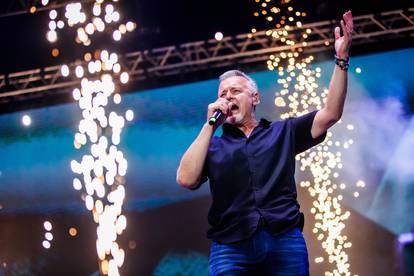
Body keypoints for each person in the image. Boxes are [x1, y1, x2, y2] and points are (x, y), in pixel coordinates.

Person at [176, 10, 353, 276]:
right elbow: (186, 179)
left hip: (283, 239)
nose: (227, 97)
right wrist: (209, 125)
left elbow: (330, 114)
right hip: (230, 247)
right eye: (222, 94)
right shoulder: (211, 146)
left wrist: (341, 59)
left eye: (235, 91)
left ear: (254, 98)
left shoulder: (283, 132)